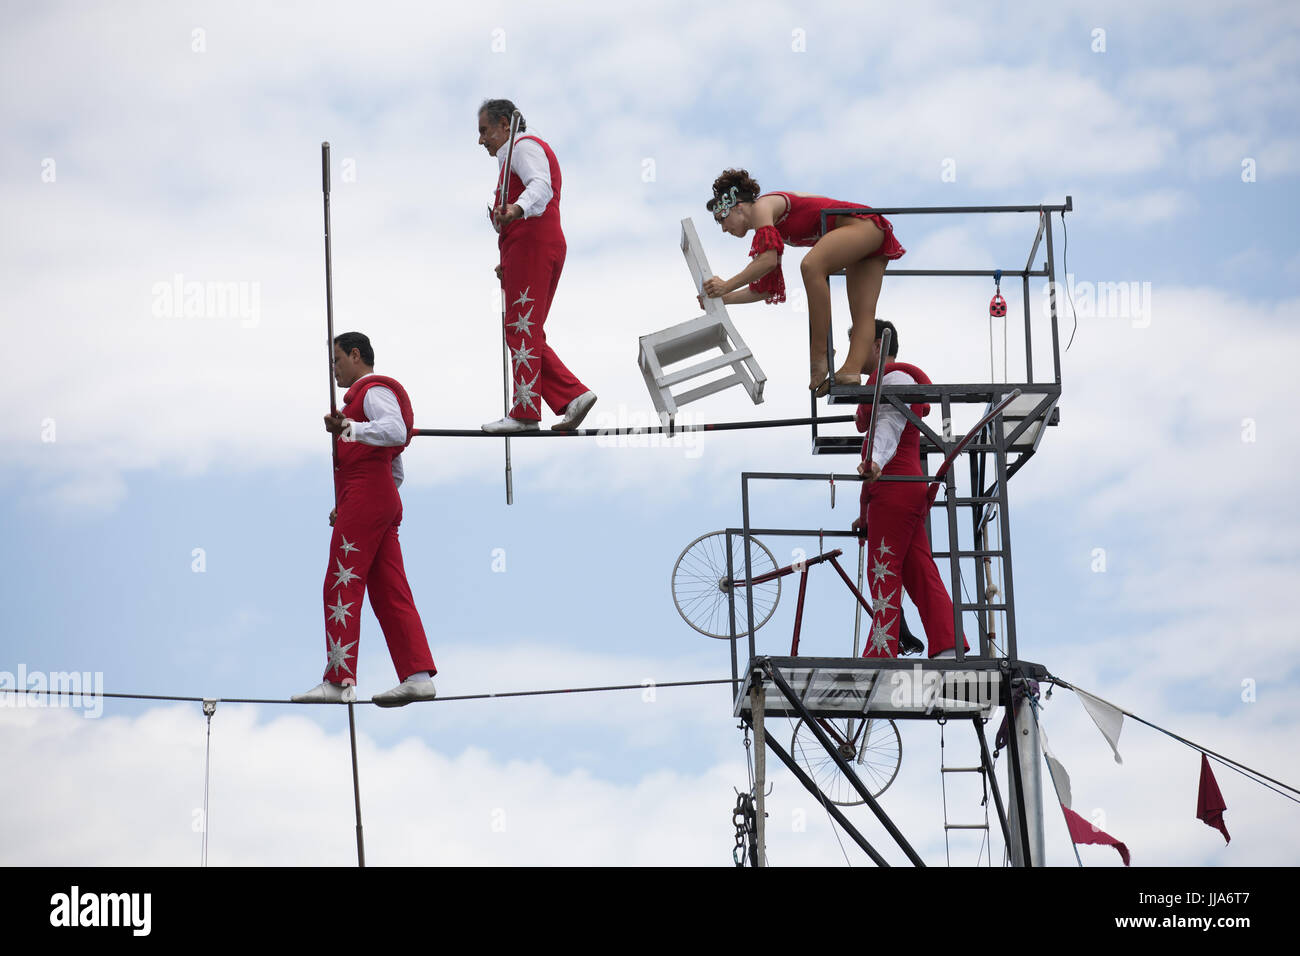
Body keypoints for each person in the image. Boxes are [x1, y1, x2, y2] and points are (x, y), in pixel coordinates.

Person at [292, 332, 439, 707]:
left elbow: (395, 430)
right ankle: (418, 675)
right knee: (390, 590)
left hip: (367, 501)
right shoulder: (365, 398)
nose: (334, 370)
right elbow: (395, 470)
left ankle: (340, 680)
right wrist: (355, 504)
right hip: (374, 500)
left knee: (340, 583)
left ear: (355, 355)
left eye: (337, 361)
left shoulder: (371, 391)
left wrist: (349, 430)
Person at [700, 168, 905, 395]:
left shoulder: (760, 208)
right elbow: (766, 290)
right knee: (863, 313)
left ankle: (820, 352)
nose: (723, 228)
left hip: (862, 226)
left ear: (738, 206)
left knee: (812, 266)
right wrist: (724, 298)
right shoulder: (770, 225)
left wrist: (726, 284)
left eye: (722, 218)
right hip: (870, 232)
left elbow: (767, 260)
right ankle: (850, 370)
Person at [477, 98, 596, 434]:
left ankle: (527, 412)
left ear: (504, 125)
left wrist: (515, 209)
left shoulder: (522, 147)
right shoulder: (512, 156)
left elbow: (540, 186)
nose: (481, 140)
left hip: (533, 245)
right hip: (529, 249)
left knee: (521, 327)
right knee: (525, 329)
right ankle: (573, 396)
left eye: (485, 131)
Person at [850, 321, 968, 660]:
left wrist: (874, 462)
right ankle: (948, 644)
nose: (851, 354)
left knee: (883, 568)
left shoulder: (895, 381)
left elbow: (890, 424)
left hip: (894, 487)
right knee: (918, 570)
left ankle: (882, 650)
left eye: (855, 343)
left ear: (876, 346)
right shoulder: (890, 383)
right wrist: (863, 514)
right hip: (900, 489)